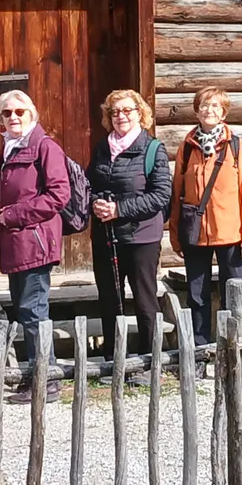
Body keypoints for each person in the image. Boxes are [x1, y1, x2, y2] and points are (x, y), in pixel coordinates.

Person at [0, 90, 70, 403]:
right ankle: (38, 376)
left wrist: (13, 215)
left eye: (20, 112)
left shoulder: (44, 147)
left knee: (34, 311)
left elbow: (57, 195)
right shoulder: (9, 148)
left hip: (34, 241)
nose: (13, 118)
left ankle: (46, 382)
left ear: (32, 115)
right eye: (7, 113)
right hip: (16, 243)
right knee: (26, 311)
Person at [168, 86, 242, 349]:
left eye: (215, 106)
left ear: (223, 113)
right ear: (197, 111)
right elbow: (178, 196)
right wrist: (176, 236)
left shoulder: (237, 147)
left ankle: (236, 353)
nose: (209, 110)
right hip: (195, 235)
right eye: (204, 106)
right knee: (197, 297)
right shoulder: (186, 148)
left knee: (234, 296)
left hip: (230, 235)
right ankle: (199, 351)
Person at [88, 89, 171, 371]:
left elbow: (161, 196)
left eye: (127, 111)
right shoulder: (102, 148)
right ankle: (114, 359)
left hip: (141, 237)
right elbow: (89, 186)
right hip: (106, 237)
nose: (120, 116)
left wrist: (119, 210)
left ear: (140, 114)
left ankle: (150, 362)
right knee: (109, 299)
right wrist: (95, 204)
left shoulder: (152, 150)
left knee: (145, 300)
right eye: (115, 112)